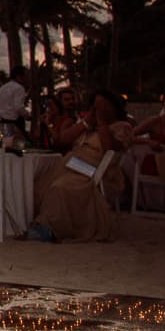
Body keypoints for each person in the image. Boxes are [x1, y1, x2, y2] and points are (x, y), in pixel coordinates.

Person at [31, 89, 133, 242]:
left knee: (60, 188)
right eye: (95, 106)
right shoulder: (87, 125)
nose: (97, 109)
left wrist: (102, 123)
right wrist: (86, 123)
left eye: (101, 105)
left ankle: (49, 229)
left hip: (95, 171)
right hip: (72, 165)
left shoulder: (122, 126)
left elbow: (109, 148)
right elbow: (63, 140)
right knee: (40, 184)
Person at [0, 65, 29, 132]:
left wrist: (2, 117)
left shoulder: (2, 88)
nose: (27, 78)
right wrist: (27, 114)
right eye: (25, 76)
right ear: (19, 76)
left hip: (3, 124)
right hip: (16, 124)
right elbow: (19, 107)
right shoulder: (19, 88)